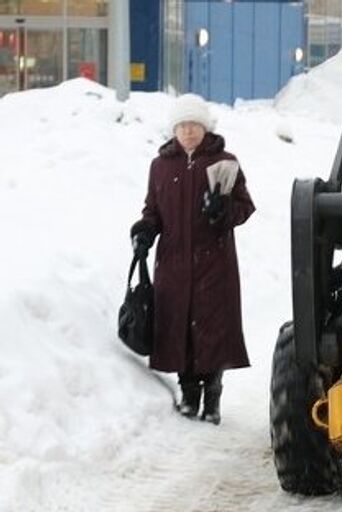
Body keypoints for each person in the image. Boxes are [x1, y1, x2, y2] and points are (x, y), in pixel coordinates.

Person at [130, 94, 255, 425]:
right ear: (174, 130)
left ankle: (212, 397)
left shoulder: (224, 161)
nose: (188, 132)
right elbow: (152, 210)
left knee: (212, 329)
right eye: (182, 126)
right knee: (180, 327)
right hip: (173, 263)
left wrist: (222, 211)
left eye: (194, 125)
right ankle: (189, 395)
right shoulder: (160, 165)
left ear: (205, 128)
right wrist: (144, 231)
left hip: (215, 264)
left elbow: (245, 208)